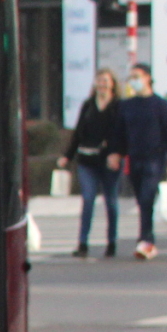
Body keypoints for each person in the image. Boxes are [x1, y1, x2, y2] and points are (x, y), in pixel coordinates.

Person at [117, 64, 167, 260]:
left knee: (147, 197)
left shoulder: (159, 104)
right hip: (134, 157)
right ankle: (146, 238)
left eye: (137, 76)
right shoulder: (127, 105)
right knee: (141, 199)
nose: (133, 80)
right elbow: (120, 134)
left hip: (155, 156)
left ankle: (146, 239)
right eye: (131, 77)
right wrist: (117, 153)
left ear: (148, 78)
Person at [60, 68, 125, 257]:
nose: (102, 84)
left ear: (112, 83)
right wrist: (68, 155)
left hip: (109, 161)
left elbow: (122, 134)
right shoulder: (88, 105)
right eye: (99, 80)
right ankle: (82, 243)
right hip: (87, 160)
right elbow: (78, 132)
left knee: (111, 201)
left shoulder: (118, 106)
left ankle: (111, 242)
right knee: (88, 199)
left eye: (106, 80)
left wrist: (117, 153)